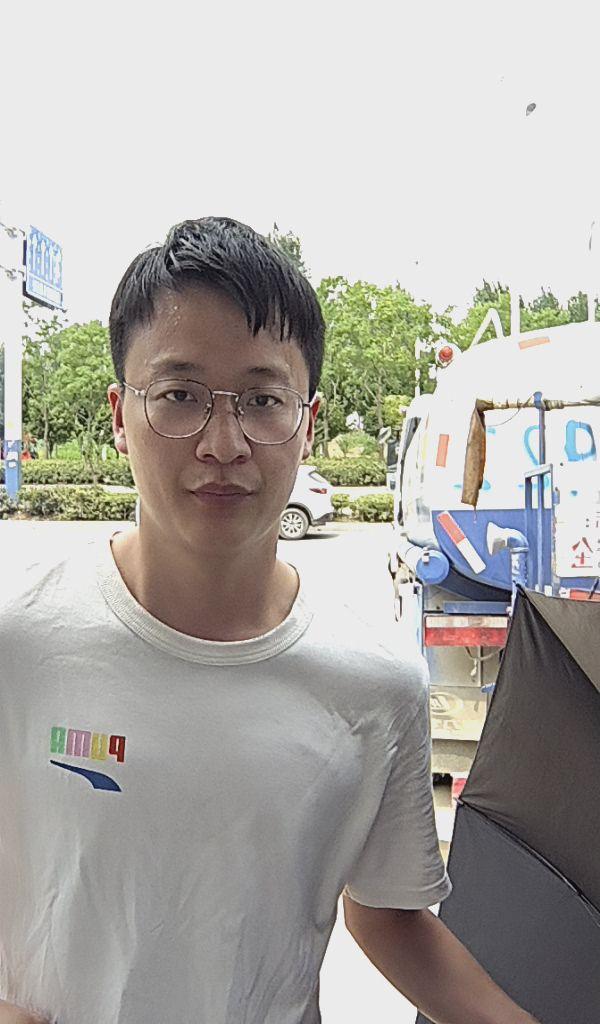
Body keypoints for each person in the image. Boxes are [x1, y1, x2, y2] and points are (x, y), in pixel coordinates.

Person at [0, 218, 539, 1024]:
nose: (223, 443)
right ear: (118, 414)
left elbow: (388, 914)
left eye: (262, 401)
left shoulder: (376, 683)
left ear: (307, 422)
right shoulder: (21, 641)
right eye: (179, 396)